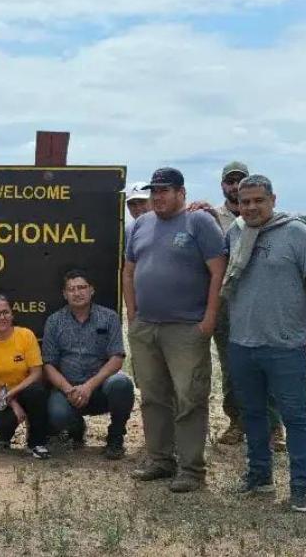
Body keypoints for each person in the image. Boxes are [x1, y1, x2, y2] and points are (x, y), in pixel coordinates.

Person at [222, 174, 306, 513]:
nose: (251, 207)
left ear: (273, 199)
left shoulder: (296, 232)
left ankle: (300, 486)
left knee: (295, 416)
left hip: (285, 344)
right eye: (245, 201)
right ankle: (259, 476)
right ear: (238, 203)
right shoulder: (236, 232)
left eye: (258, 200)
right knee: (253, 413)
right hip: (242, 340)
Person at [123, 167, 226, 492]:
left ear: (181, 192)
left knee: (189, 397)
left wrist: (209, 318)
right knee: (153, 396)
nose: (158, 197)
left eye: (165, 191)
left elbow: (217, 273)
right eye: (155, 191)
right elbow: (128, 271)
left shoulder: (200, 222)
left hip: (185, 328)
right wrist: (132, 314)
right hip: (146, 327)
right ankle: (159, 460)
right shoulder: (141, 223)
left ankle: (192, 470)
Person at [191, 162, 284, 449]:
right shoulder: (209, 217)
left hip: (262, 303)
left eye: (239, 181)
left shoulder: (268, 217)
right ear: (223, 186)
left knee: (266, 365)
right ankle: (237, 422)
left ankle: (273, 427)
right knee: (232, 367)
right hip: (225, 304)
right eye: (229, 182)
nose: (234, 186)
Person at [42, 269, 135, 460]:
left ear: (91, 290)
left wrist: (89, 386)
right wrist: (69, 390)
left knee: (122, 384)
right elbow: (48, 364)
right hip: (68, 390)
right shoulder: (54, 321)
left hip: (101, 388)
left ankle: (116, 437)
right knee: (57, 414)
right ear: (64, 294)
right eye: (72, 289)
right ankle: (76, 428)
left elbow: (117, 357)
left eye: (82, 287)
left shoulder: (109, 318)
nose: (77, 293)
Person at [0, 293, 50, 459]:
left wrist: (13, 394)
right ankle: (3, 436)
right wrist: (12, 403)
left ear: (12, 315)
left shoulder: (26, 335)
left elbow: (37, 373)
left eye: (6, 312)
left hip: (23, 391)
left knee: (37, 392)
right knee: (4, 419)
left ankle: (36, 443)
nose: (2, 317)